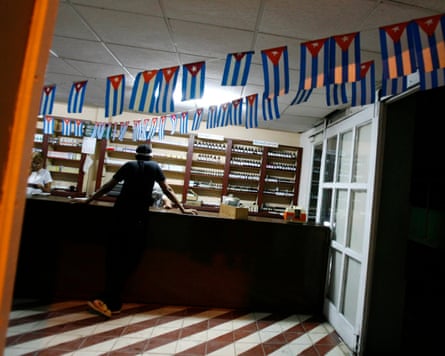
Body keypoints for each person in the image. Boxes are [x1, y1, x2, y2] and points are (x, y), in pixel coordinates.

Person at [76, 144, 197, 318]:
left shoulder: (128, 166)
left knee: (114, 257)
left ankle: (110, 299)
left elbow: (108, 186)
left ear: (135, 156)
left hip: (120, 216)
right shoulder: (155, 167)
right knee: (130, 258)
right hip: (140, 218)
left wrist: (88, 200)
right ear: (150, 157)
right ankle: (112, 300)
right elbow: (167, 189)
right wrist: (182, 209)